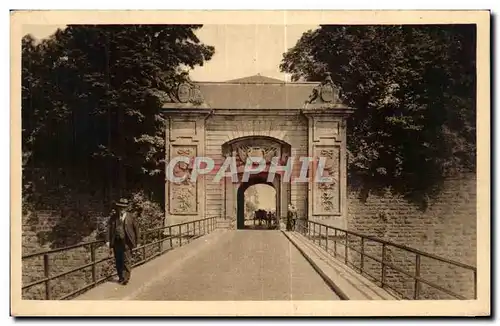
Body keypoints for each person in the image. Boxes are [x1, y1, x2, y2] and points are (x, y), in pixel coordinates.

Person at [106, 198, 140, 285]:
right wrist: (108, 241)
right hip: (117, 242)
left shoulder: (131, 217)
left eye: (123, 208)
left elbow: (136, 230)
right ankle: (120, 277)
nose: (121, 209)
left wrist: (138, 242)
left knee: (127, 260)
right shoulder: (114, 217)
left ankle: (126, 278)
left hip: (127, 242)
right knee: (118, 260)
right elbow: (109, 229)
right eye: (120, 207)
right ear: (118, 208)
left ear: (126, 208)